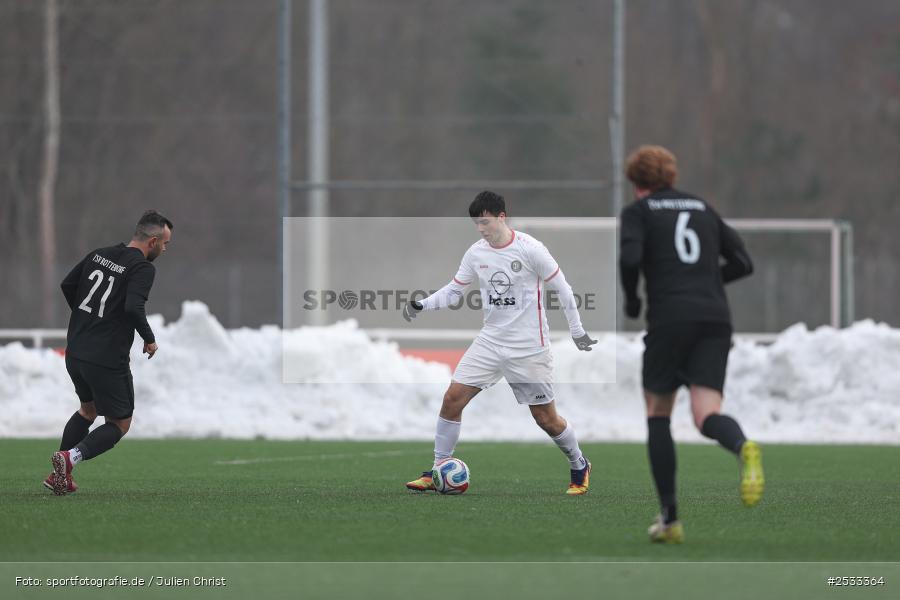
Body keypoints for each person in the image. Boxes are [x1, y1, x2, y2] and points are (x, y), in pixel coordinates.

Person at [403, 191, 597, 495]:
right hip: (491, 342)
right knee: (453, 398)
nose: (481, 228)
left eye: (485, 221)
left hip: (529, 347)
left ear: (501, 217)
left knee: (545, 418)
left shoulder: (531, 249)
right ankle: (439, 467)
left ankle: (579, 462)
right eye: (476, 224)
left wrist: (577, 331)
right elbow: (454, 291)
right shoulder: (476, 253)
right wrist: (421, 305)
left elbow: (562, 288)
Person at [619, 145, 764, 544]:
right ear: (671, 176)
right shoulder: (702, 207)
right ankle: (742, 444)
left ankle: (670, 520)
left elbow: (630, 259)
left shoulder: (638, 213)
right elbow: (743, 262)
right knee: (706, 414)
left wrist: (633, 300)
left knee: (658, 412)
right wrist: (706, 283)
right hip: (715, 319)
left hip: (670, 319)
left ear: (635, 182)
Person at [46, 210, 173, 495]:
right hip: (105, 358)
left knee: (88, 410)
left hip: (76, 350)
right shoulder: (142, 268)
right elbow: (132, 307)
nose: (165, 250)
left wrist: (88, 320)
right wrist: (149, 339)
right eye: (165, 244)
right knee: (120, 423)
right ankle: (70, 458)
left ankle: (58, 476)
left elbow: (68, 285)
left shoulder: (99, 254)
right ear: (152, 241)